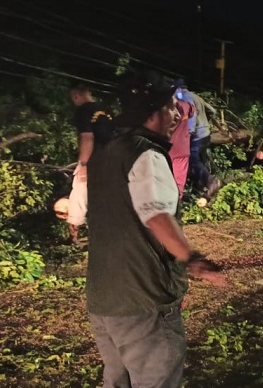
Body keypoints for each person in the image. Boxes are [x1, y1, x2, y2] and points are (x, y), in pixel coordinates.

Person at [86, 70, 225, 387]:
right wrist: (193, 260)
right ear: (152, 113)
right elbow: (156, 216)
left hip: (103, 297)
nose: (177, 115)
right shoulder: (146, 155)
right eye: (170, 107)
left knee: (117, 380)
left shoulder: (104, 154)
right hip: (142, 300)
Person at [67, 83, 114, 244]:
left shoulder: (83, 111)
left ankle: (74, 237)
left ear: (76, 95)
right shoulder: (105, 109)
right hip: (112, 158)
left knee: (79, 193)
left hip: (94, 159)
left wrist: (83, 164)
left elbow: (87, 138)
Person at [183, 83, 222, 199]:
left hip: (196, 136)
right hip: (206, 134)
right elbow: (212, 111)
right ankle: (201, 190)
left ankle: (211, 181)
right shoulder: (195, 96)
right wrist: (205, 122)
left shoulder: (184, 97)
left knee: (192, 160)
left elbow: (192, 116)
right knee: (200, 162)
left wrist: (189, 131)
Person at [170, 89, 195, 198]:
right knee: (178, 183)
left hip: (166, 149)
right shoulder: (185, 105)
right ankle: (176, 206)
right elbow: (192, 110)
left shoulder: (162, 108)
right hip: (181, 149)